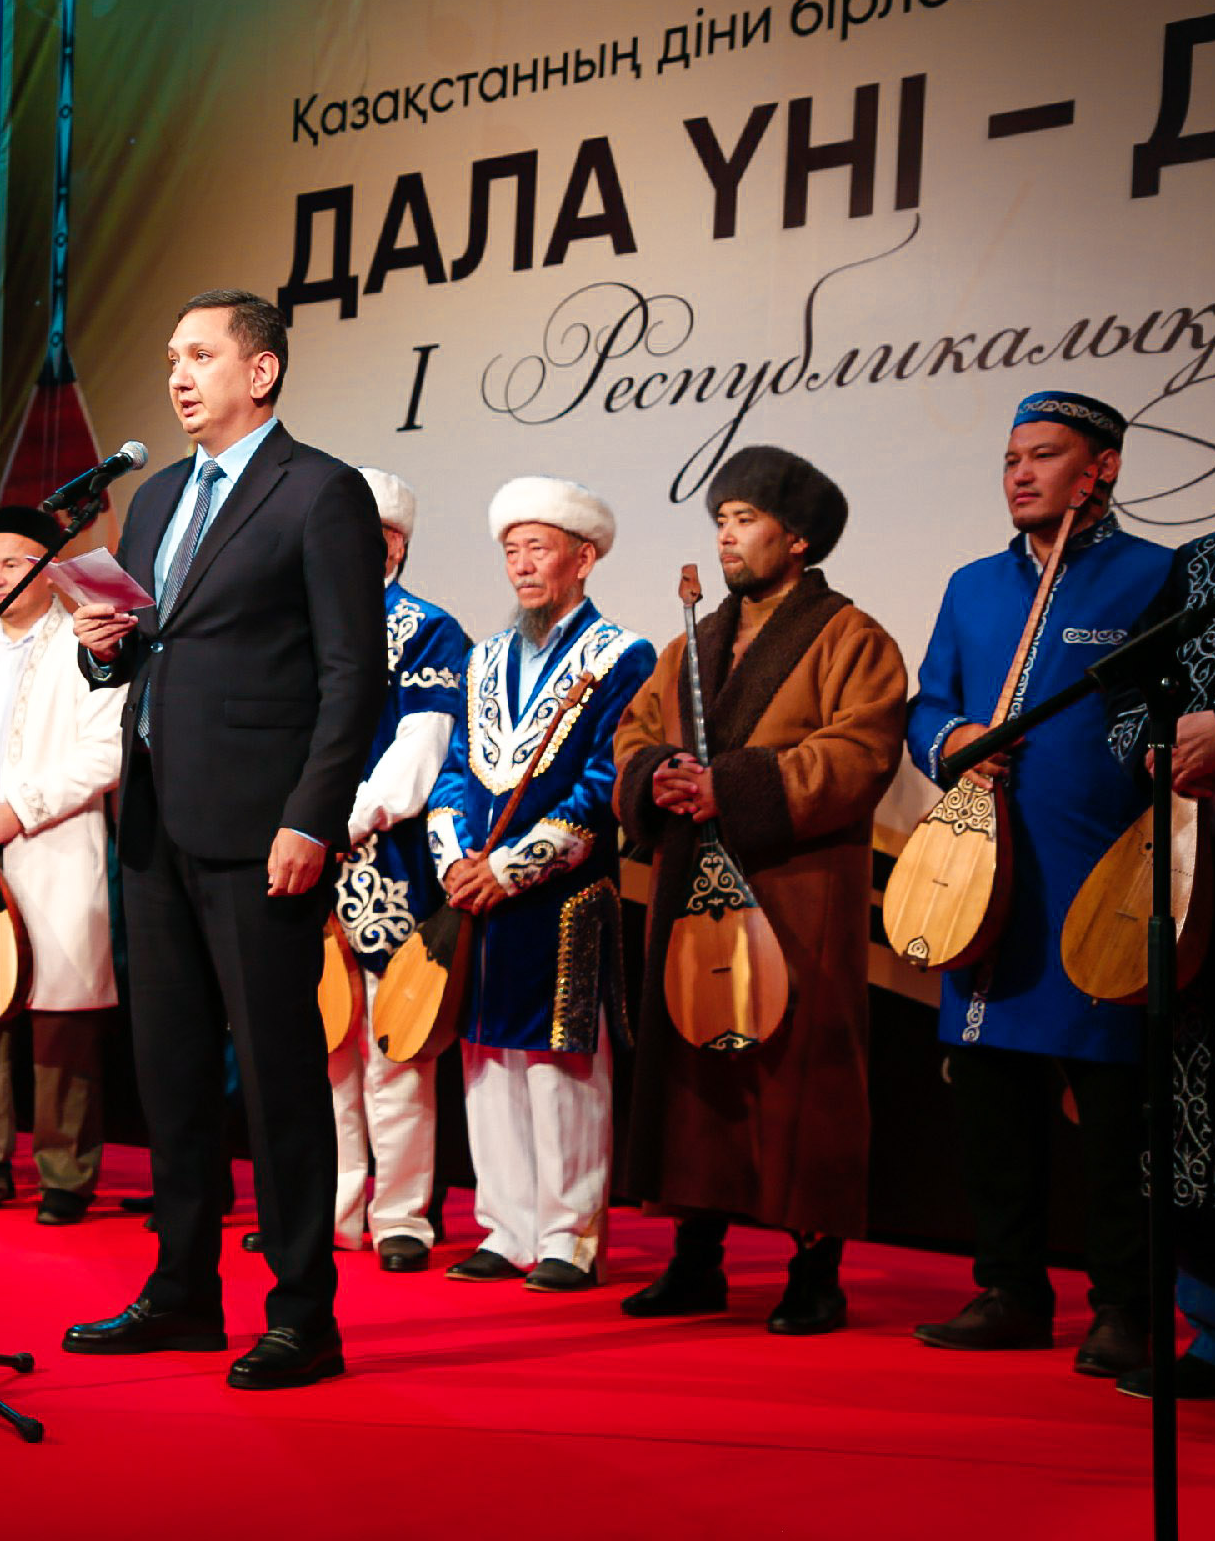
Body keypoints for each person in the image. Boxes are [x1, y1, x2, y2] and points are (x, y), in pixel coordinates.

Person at [65, 288, 381, 1389]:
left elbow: (353, 674)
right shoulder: (156, 498)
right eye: (170, 356)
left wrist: (311, 814)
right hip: (156, 818)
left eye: (200, 354)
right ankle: (184, 1291)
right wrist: (103, 644)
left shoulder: (320, 491)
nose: (178, 374)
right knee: (173, 1071)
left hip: (262, 830)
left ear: (262, 370)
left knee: (281, 1076)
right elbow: (145, 650)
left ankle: (303, 1315)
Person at [612, 446, 906, 1334]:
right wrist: (659, 775)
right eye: (721, 521)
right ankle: (695, 1258)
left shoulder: (853, 639)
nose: (727, 537)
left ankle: (816, 1270)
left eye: (746, 521)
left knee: (800, 1075)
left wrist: (731, 787)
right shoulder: (690, 644)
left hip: (796, 888)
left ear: (799, 538)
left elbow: (860, 751)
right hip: (692, 883)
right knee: (693, 1069)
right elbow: (636, 733)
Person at [906, 392, 1169, 1378]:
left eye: (1045, 455)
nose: (1020, 473)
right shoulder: (972, 585)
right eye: (1012, 457)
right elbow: (927, 704)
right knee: (990, 1098)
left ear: (1102, 469)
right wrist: (955, 740)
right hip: (980, 883)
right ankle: (1010, 1288)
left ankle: (1125, 1307)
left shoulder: (1159, 576)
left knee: (1113, 1112)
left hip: (1098, 878)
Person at [427, 476, 652, 1292]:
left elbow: (603, 783)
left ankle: (569, 1236)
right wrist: (455, 857)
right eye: (512, 551)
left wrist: (511, 867)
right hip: (476, 893)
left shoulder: (621, 655)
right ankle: (505, 1225)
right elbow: (455, 770)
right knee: (486, 1060)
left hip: (562, 893)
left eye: (539, 549)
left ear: (582, 559)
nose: (522, 565)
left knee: (561, 1067)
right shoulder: (483, 657)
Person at [1103, 359, 1215, 1402]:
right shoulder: (1209, 563)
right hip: (1200, 881)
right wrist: (1153, 747)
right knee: (1196, 1111)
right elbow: (1129, 684)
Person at [0, 507, 127, 1226]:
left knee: (60, 1022)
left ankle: (65, 1176)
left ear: (49, 570)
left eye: (13, 563)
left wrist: (20, 809)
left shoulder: (84, 642)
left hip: (53, 845)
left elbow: (106, 754)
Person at [323, 469, 468, 1272]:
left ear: (396, 547)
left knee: (396, 1044)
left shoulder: (427, 629)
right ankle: (332, 1210)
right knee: (322, 1044)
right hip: (303, 859)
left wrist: (338, 820)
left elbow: (421, 750)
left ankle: (403, 1215)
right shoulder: (298, 624)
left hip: (388, 861)